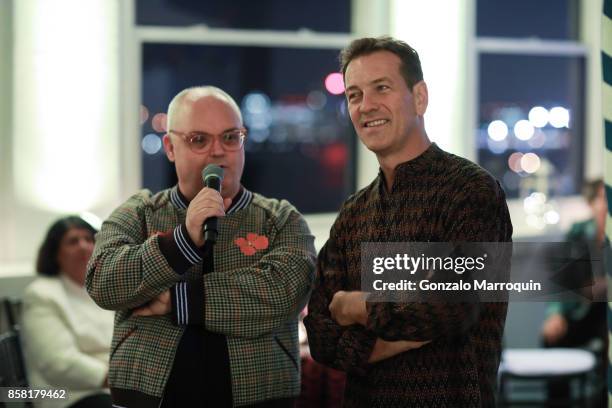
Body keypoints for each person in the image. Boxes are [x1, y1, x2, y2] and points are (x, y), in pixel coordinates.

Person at [303, 36, 513, 407]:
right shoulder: (354, 213)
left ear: (419, 98)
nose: (366, 106)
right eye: (354, 95)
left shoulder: (470, 191)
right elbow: (321, 337)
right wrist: (411, 327)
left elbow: (451, 308)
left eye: (381, 88)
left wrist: (357, 306)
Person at [86, 86, 316, 408]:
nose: (218, 151)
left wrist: (178, 301)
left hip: (261, 396)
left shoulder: (280, 219)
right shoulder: (138, 213)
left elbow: (284, 292)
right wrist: (182, 241)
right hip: (149, 399)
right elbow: (104, 283)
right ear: (170, 147)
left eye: (230, 137)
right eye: (199, 140)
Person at [22, 216, 114, 408]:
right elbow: (58, 363)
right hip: (65, 395)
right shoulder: (41, 294)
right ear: (55, 253)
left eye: (89, 239)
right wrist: (118, 378)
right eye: (73, 241)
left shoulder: (103, 288)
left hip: (112, 387)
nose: (83, 246)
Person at [541, 178, 608, 403]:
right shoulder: (578, 234)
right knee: (553, 336)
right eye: (602, 198)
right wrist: (556, 313)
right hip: (583, 311)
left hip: (605, 314)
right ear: (591, 203)